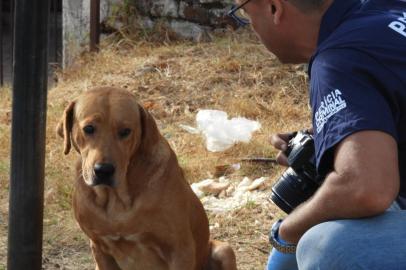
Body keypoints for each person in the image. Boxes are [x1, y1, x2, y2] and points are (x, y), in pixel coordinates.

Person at [227, 0, 406, 269]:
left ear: (275, 8)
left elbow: (366, 188)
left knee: (329, 246)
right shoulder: (387, 10)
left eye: (244, 13)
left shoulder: (339, 58)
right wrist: (331, 134)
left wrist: (287, 231)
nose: (250, 26)